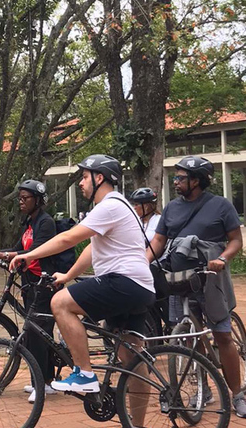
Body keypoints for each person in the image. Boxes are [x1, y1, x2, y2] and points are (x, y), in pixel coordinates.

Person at [9, 155, 155, 400]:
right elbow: (91, 249)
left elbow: (67, 239)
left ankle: (85, 374)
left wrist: (28, 255)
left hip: (122, 281)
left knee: (60, 303)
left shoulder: (110, 205)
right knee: (131, 359)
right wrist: (68, 275)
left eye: (85, 177)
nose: (81, 182)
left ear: (99, 178)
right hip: (141, 288)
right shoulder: (117, 206)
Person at [147, 155, 246, 419]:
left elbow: (235, 240)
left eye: (181, 177)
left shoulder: (220, 206)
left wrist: (222, 258)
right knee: (185, 336)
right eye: (176, 177)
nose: (176, 182)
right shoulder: (172, 207)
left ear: (197, 181)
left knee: (222, 335)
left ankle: (236, 394)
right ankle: (202, 388)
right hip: (178, 277)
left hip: (210, 277)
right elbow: (160, 240)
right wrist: (143, 261)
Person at [0, 179, 66, 403]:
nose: (21, 202)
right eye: (20, 198)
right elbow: (18, 249)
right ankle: (45, 381)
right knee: (37, 332)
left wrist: (7, 256)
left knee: (37, 332)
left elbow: (36, 251)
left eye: (26, 198)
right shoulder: (30, 222)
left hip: (44, 284)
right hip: (29, 283)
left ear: (38, 200)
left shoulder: (46, 223)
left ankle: (41, 385)